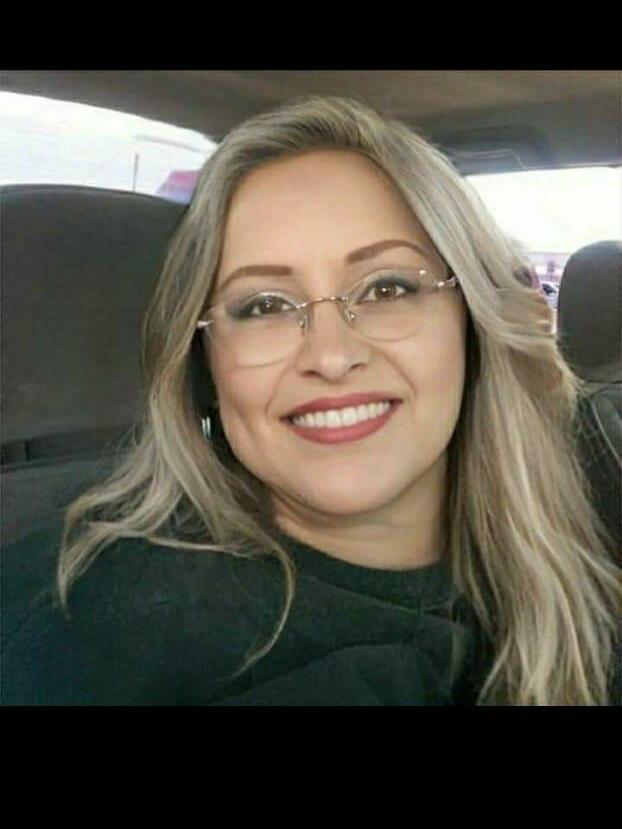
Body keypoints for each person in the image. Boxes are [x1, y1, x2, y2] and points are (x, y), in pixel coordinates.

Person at [2, 96, 620, 706]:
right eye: (264, 306)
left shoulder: (589, 547)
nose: (330, 355)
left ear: (473, 326)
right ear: (204, 367)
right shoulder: (82, 630)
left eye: (387, 289)